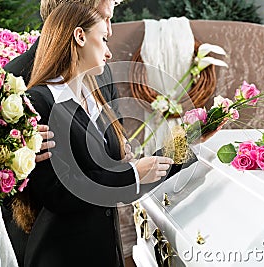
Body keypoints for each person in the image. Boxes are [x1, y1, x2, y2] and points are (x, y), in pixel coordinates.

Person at [11, 2, 174, 266]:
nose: (109, 53)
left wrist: (189, 141)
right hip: (62, 254)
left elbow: (115, 175)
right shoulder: (38, 102)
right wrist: (132, 172)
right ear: (79, 36)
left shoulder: (94, 93)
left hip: (103, 247)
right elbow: (58, 193)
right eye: (104, 37)